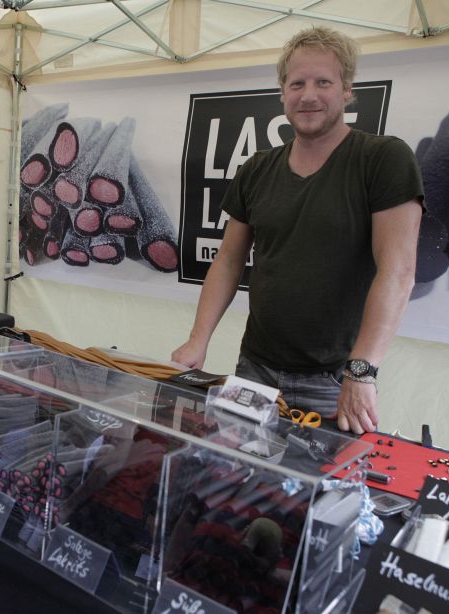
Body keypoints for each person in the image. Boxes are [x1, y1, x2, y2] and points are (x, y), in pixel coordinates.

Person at [171, 26, 423, 435]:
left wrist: (362, 371)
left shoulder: (383, 159)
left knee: (323, 477)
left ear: (347, 89)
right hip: (254, 369)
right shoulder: (257, 168)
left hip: (334, 381)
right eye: (297, 83)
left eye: (323, 82)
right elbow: (229, 261)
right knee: (235, 468)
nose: (308, 95)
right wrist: (197, 340)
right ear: (282, 92)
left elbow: (398, 273)